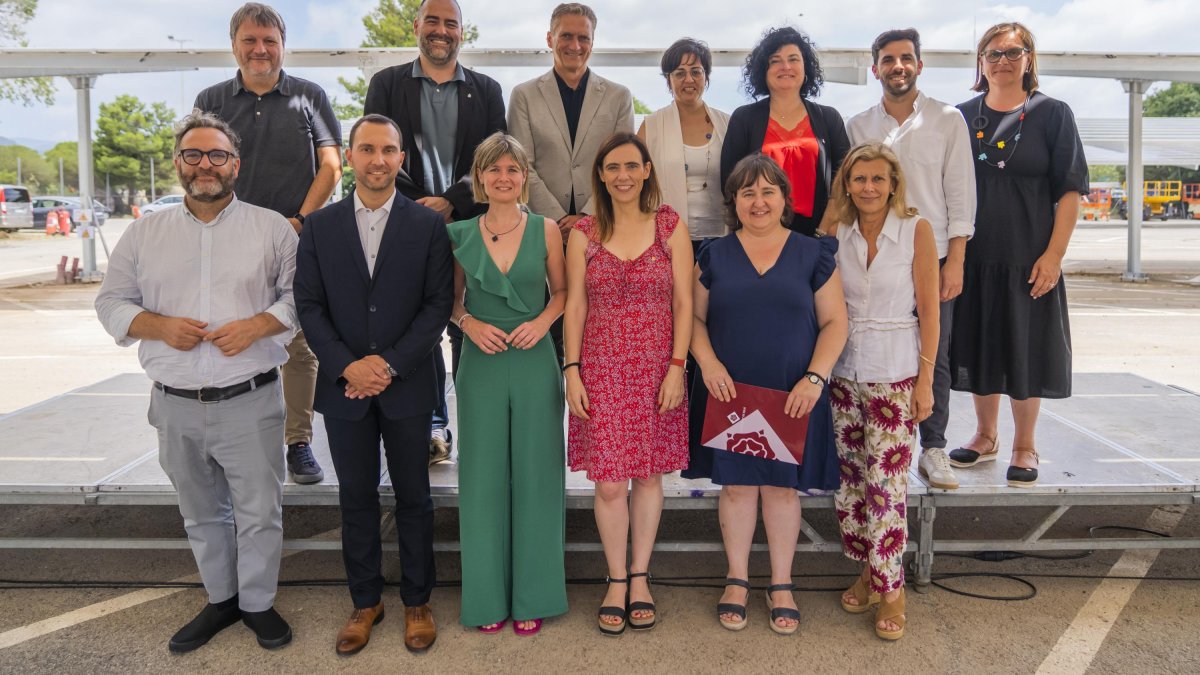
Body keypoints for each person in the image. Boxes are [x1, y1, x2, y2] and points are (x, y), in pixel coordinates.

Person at [95, 111, 297, 652]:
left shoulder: (272, 228)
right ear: (179, 163)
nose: (205, 165)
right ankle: (221, 600)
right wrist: (157, 326)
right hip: (175, 402)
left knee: (259, 511)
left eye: (217, 156)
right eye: (194, 155)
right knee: (201, 512)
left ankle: (257, 604)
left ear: (237, 164)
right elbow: (110, 302)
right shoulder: (143, 232)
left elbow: (299, 298)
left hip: (250, 398)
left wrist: (258, 324)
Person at [293, 114, 452, 655]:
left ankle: (416, 600)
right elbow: (309, 306)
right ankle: (365, 601)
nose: (378, 159)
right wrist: (347, 366)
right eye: (367, 149)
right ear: (350, 158)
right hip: (344, 390)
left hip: (406, 385)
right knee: (355, 498)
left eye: (388, 150)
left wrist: (386, 365)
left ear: (401, 158)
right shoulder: (318, 225)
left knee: (415, 498)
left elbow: (436, 307)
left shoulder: (428, 226)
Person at [684, 154, 847, 636]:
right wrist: (708, 364)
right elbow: (692, 319)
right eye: (747, 192)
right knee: (736, 488)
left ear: (784, 199)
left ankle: (781, 583)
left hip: (793, 394)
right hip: (729, 393)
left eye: (768, 191)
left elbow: (836, 322)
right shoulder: (713, 253)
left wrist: (815, 379)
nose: (758, 201)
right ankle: (736, 580)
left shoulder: (813, 253)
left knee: (781, 489)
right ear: (734, 201)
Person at [194, 2, 342, 486]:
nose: (260, 50)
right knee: (228, 335)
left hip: (296, 237)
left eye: (269, 41)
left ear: (282, 45)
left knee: (297, 344)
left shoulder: (310, 96)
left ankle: (297, 442)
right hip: (229, 238)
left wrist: (299, 221)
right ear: (234, 44)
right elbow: (201, 165)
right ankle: (233, 440)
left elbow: (331, 167)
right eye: (250, 40)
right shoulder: (211, 99)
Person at [364, 0, 507, 463]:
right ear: (417, 26)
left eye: (451, 23)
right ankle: (431, 430)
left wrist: (452, 201)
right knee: (416, 326)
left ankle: (476, 426)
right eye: (433, 21)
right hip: (406, 223)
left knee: (468, 328)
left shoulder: (486, 90)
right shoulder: (386, 84)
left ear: (462, 32)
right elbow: (377, 153)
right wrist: (423, 208)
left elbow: (494, 159)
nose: (441, 30)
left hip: (470, 225)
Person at [949, 22, 1087, 487]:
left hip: (1030, 257)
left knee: (1025, 348)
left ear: (1029, 58)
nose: (1002, 61)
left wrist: (1054, 255)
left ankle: (1024, 444)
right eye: (993, 53)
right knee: (982, 343)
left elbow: (1070, 192)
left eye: (1013, 52)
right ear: (980, 61)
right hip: (975, 254)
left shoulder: (1052, 114)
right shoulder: (961, 116)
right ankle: (985, 436)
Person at [564, 133, 692, 635]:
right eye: (612, 166)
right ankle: (615, 578)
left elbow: (684, 302)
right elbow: (575, 306)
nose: (622, 175)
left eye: (631, 166)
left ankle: (640, 577)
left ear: (645, 171)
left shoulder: (669, 226)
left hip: (658, 367)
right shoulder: (584, 232)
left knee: (649, 477)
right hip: (600, 368)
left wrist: (678, 366)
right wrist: (571, 369)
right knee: (610, 482)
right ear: (600, 173)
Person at [843, 28, 976, 490]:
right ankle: (863, 444)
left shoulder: (947, 119)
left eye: (905, 58)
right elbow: (848, 190)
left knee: (933, 354)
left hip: (933, 253)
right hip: (877, 255)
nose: (897, 66)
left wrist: (956, 257)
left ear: (919, 65)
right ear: (874, 66)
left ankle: (933, 448)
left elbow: (961, 192)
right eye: (888, 59)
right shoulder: (857, 125)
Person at [449, 133, 568, 636]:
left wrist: (543, 323)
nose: (503, 177)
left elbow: (562, 292)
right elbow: (451, 302)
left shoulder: (546, 230)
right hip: (481, 361)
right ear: (480, 177)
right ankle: (486, 597)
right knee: (481, 480)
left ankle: (534, 594)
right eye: (493, 169)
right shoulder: (458, 233)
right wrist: (469, 324)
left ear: (524, 177)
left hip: (534, 357)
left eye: (513, 169)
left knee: (538, 476)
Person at [826, 143, 940, 641]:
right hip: (845, 371)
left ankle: (893, 588)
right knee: (851, 484)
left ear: (893, 182)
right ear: (847, 185)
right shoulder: (838, 234)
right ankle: (868, 573)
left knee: (887, 487)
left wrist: (927, 379)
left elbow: (931, 312)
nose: (868, 187)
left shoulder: (916, 230)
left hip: (896, 372)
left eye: (877, 178)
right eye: (858, 179)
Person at [721, 26, 850, 237]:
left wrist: (823, 231)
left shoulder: (829, 118)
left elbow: (845, 180)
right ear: (763, 69)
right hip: (760, 234)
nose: (786, 66)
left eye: (794, 59)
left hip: (818, 234)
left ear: (806, 66)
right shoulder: (743, 118)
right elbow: (729, 183)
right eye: (775, 60)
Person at [637, 37, 731, 253]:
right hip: (667, 241)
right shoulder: (651, 126)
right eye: (680, 73)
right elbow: (635, 181)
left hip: (723, 238)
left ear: (706, 76)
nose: (689, 79)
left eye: (696, 71)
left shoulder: (728, 123)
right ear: (668, 80)